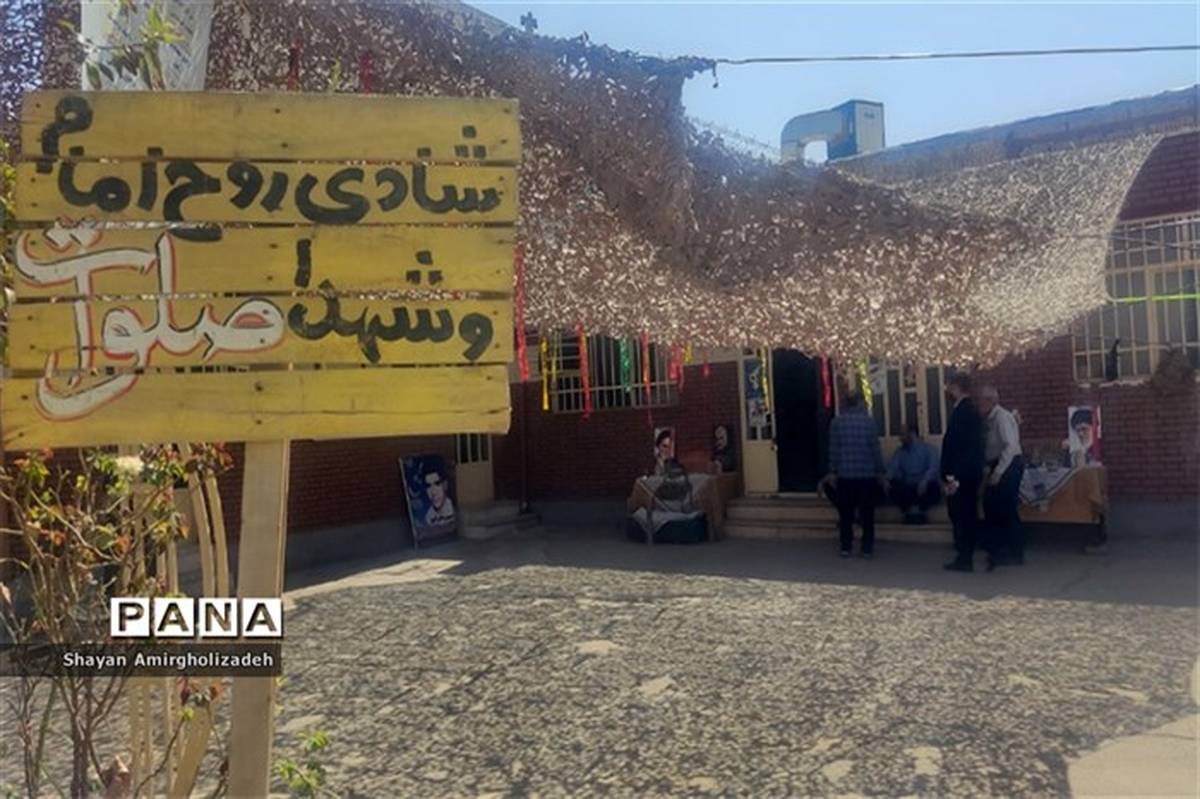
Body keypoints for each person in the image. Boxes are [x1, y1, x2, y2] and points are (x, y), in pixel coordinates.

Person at [825, 392, 886, 559]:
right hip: (866, 474)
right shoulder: (869, 422)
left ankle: (846, 546)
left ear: (846, 404)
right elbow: (875, 449)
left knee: (845, 513)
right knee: (867, 513)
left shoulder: (837, 423)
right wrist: (880, 471)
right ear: (859, 403)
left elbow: (833, 450)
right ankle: (867, 548)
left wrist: (832, 471)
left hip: (845, 475)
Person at [941, 373, 985, 572]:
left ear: (956, 387)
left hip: (961, 474)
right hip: (968, 472)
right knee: (965, 513)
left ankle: (964, 556)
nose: (948, 390)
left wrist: (952, 475)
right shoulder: (969, 410)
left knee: (961, 514)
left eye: (950, 386)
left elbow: (959, 446)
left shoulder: (963, 412)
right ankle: (965, 554)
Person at [978, 385, 1025, 569]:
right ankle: (997, 547)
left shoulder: (1001, 417)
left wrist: (998, 472)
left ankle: (1015, 552)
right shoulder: (989, 419)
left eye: (982, 400)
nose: (979, 404)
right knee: (991, 505)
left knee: (1006, 508)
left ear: (991, 401)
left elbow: (1010, 446)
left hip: (1009, 465)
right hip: (997, 464)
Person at [887, 423, 941, 524]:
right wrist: (886, 480)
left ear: (912, 434)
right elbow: (892, 468)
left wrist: (924, 481)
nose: (900, 438)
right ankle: (914, 513)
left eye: (903, 434)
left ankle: (915, 512)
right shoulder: (900, 452)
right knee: (893, 487)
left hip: (924, 487)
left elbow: (933, 468)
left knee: (934, 488)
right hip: (908, 487)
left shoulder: (929, 449)